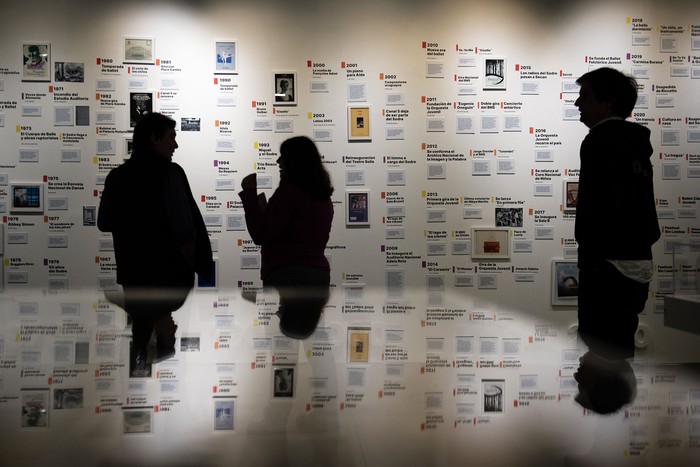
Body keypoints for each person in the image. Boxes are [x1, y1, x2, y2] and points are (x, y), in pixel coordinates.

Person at [572, 67, 660, 409]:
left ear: (608, 101)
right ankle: (610, 412)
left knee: (602, 350)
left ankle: (604, 411)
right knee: (616, 348)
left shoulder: (600, 141)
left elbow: (601, 211)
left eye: (586, 96)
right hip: (632, 265)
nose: (578, 102)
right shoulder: (633, 142)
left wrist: (593, 257)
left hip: (607, 267)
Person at [98, 113, 213, 369]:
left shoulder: (116, 177)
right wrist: (193, 264)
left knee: (139, 326)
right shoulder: (169, 173)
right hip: (167, 278)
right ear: (154, 138)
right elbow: (185, 231)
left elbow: (103, 223)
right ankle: (148, 364)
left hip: (133, 279)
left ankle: (141, 365)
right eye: (171, 137)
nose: (175, 144)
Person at [239, 136, 333, 339]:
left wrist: (248, 194)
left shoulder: (289, 193)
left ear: (294, 161)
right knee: (308, 342)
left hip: (287, 275)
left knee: (280, 342)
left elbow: (261, 233)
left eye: (283, 157)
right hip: (318, 277)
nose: (278, 162)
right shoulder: (323, 197)